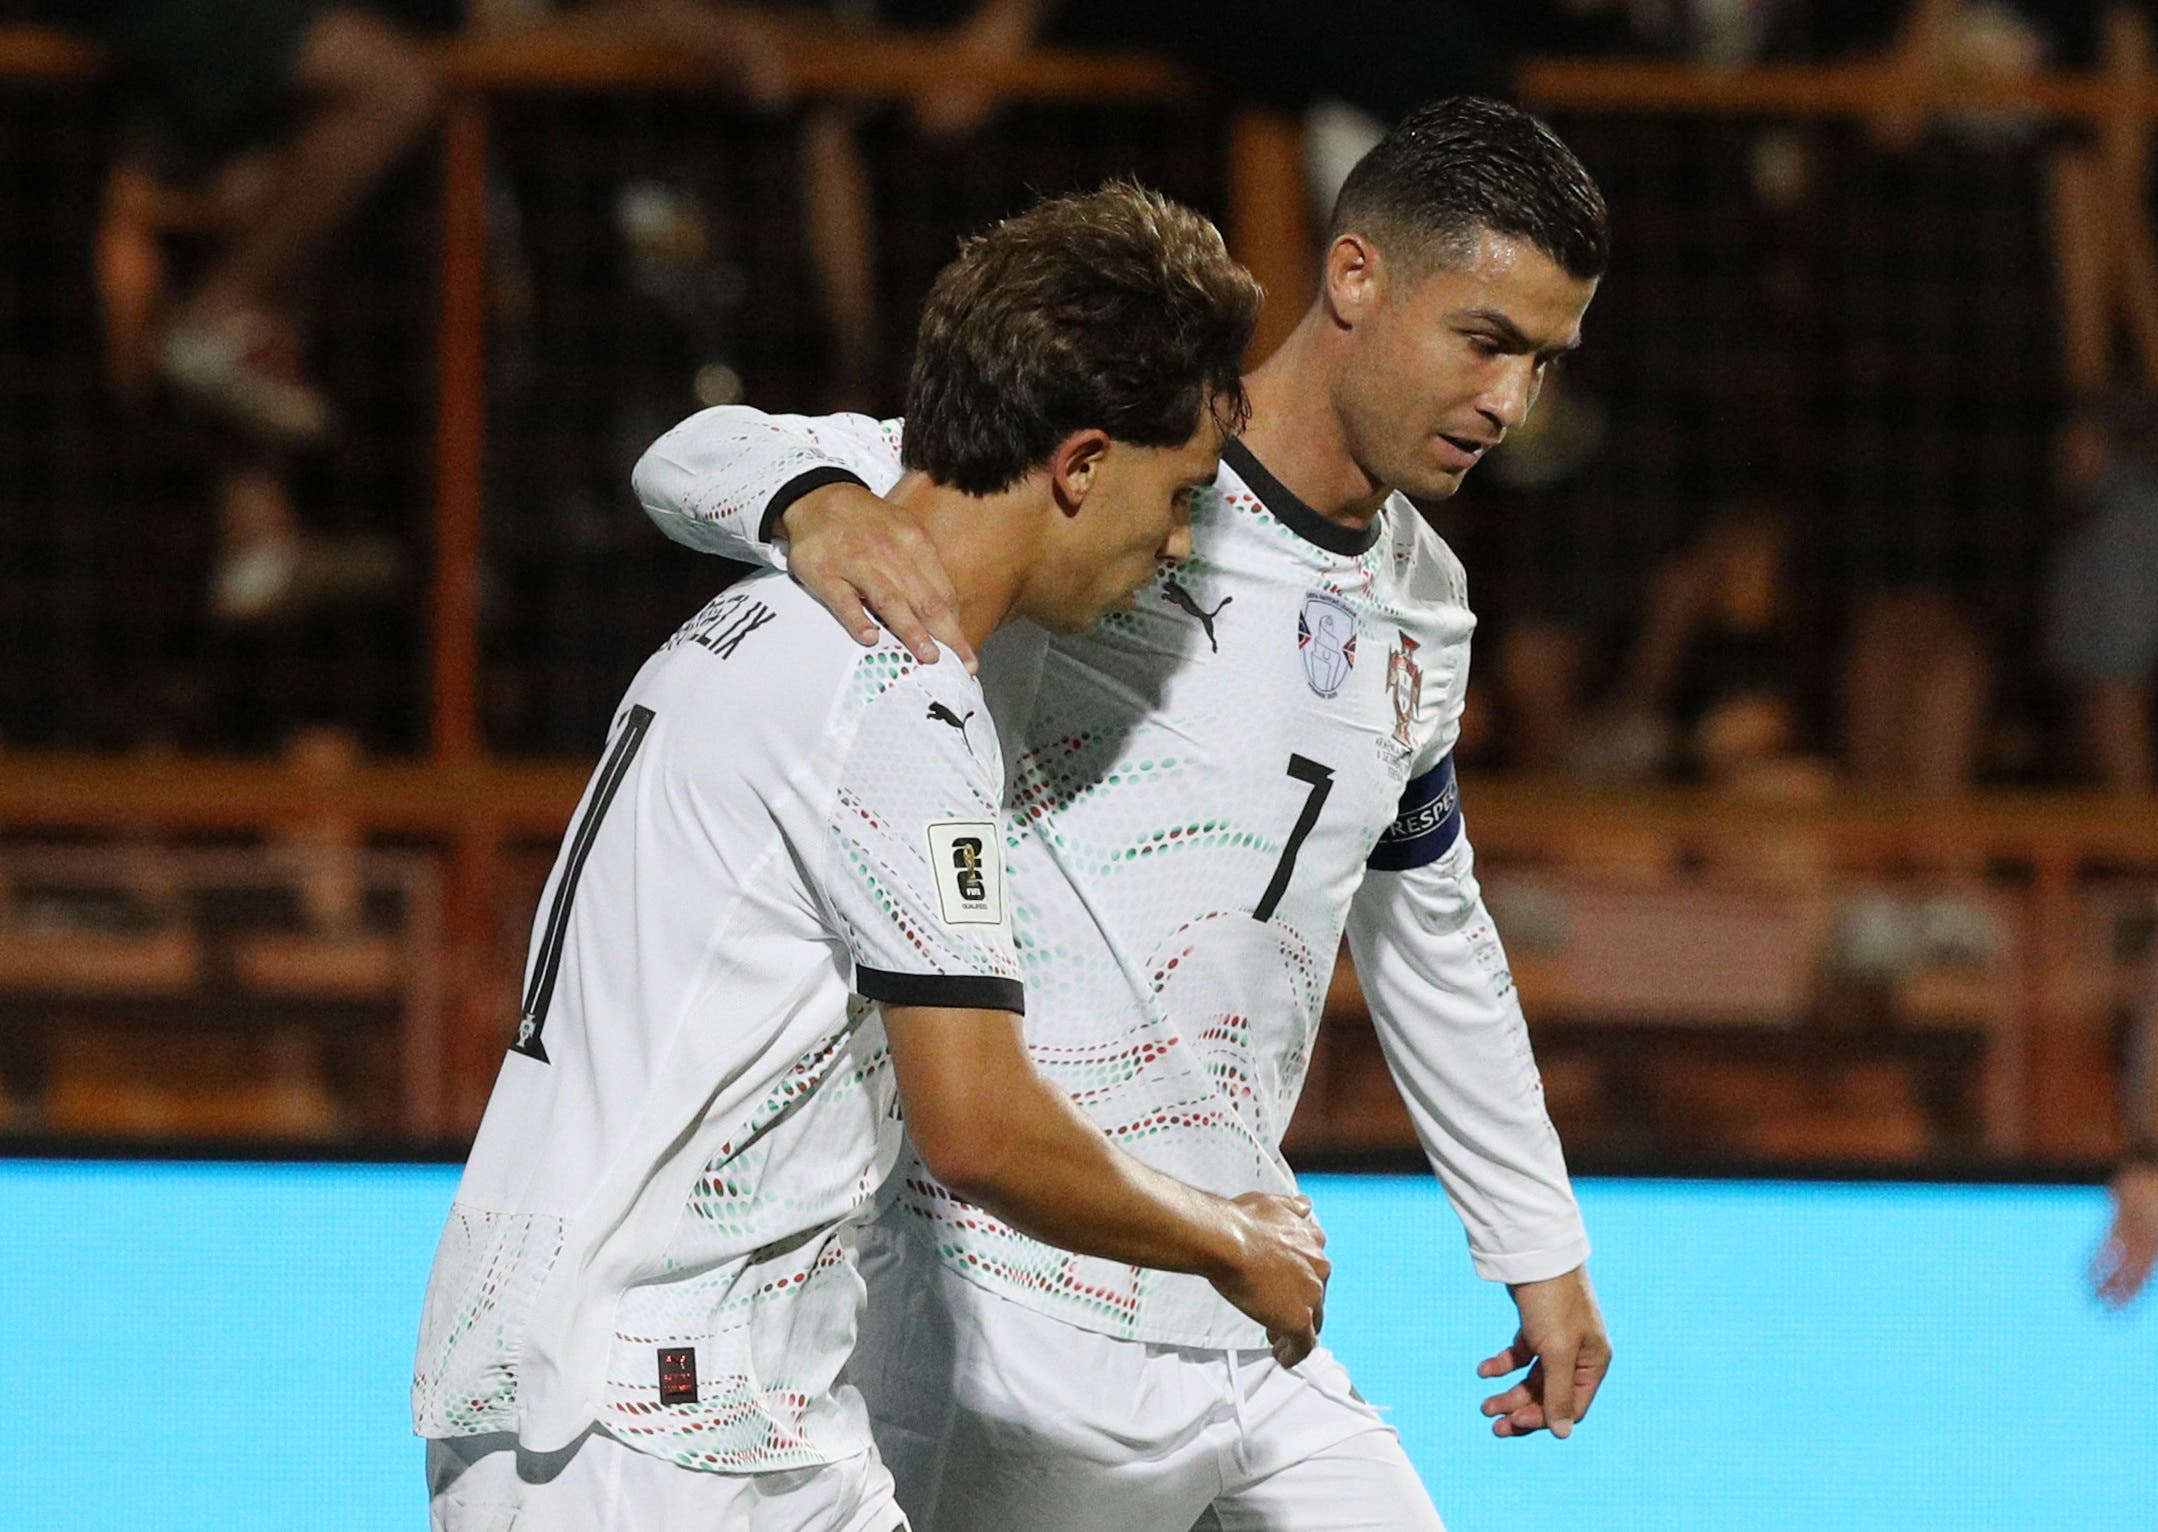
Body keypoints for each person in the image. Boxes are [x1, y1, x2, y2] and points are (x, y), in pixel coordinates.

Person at [631, 97, 1611, 1528]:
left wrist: (1536, 1240)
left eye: (1542, 362)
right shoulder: (1111, 464)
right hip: (1011, 1299)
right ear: (1355, 279)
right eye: (1485, 341)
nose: (1507, 405)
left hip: (1242, 1292)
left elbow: (1428, 927)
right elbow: (691, 452)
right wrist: (811, 502)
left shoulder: (1424, 604)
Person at [413, 182, 1331, 1532]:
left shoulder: (775, 607)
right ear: (1079, 463)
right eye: (1181, 492)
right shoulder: (900, 693)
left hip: (685, 1400)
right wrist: (1228, 1241)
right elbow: (977, 1129)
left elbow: (707, 455)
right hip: (650, 1432)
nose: (1179, 544)